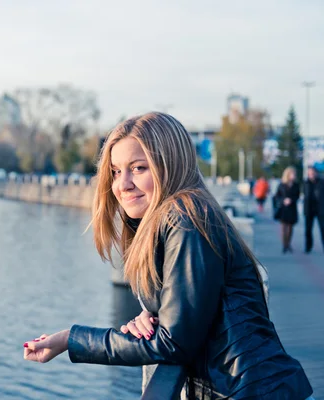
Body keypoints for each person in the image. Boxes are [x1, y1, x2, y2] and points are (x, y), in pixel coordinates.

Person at [22, 113, 313, 399]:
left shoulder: (187, 220)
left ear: (170, 165)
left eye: (138, 168)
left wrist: (70, 340)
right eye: (115, 171)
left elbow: (174, 343)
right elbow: (189, 317)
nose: (122, 184)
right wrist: (158, 311)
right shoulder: (175, 219)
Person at [274, 167, 301, 253]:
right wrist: (283, 200)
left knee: (290, 227)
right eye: (292, 174)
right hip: (283, 208)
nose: (293, 176)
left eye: (294, 174)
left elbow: (297, 196)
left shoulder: (296, 185)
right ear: (288, 175)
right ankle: (284, 245)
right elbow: (277, 196)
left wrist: (291, 200)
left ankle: (288, 243)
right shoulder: (281, 185)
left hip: (292, 208)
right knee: (283, 227)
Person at [304, 166, 324, 253]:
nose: (311, 175)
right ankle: (308, 247)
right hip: (309, 209)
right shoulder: (306, 183)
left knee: (323, 229)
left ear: (316, 173)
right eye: (309, 173)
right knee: (308, 229)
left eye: (312, 173)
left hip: (321, 209)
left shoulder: (322, 182)